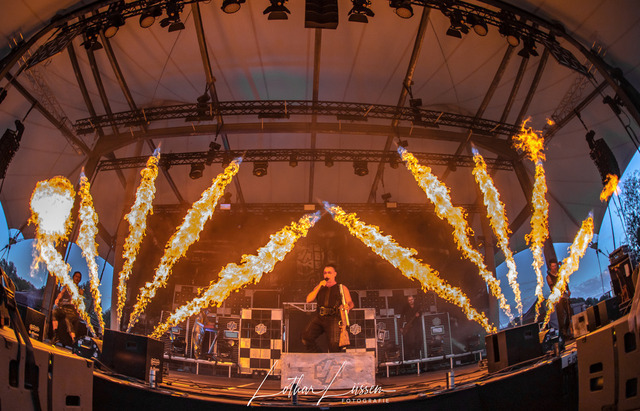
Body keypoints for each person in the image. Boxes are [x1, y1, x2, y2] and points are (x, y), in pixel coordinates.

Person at [302, 264, 354, 353]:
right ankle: (319, 356)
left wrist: (348, 306)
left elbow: (350, 302)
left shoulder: (341, 287)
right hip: (320, 317)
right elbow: (308, 300)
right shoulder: (319, 287)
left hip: (334, 318)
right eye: (325, 273)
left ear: (335, 274)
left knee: (334, 345)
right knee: (306, 337)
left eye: (329, 273)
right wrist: (319, 286)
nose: (327, 275)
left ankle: (334, 361)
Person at [53, 271, 84, 344]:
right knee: (55, 312)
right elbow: (61, 293)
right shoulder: (67, 286)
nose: (77, 278)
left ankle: (74, 340)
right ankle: (55, 335)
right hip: (64, 308)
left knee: (68, 319)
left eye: (79, 277)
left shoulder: (80, 291)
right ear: (73, 277)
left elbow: (80, 302)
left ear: (80, 280)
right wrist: (57, 299)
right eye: (76, 276)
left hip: (72, 311)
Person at [546, 259, 573, 340]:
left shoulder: (559, 274)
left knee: (569, 312)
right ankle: (563, 333)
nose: (554, 267)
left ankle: (567, 330)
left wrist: (568, 290)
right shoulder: (549, 277)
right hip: (558, 298)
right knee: (561, 315)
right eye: (553, 266)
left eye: (555, 266)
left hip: (564, 296)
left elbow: (565, 282)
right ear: (550, 267)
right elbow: (551, 287)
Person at [400, 295, 422, 360]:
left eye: (412, 299)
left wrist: (419, 314)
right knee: (411, 341)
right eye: (409, 300)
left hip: (417, 325)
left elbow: (421, 312)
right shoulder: (405, 307)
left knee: (418, 340)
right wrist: (400, 327)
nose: (411, 301)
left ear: (414, 299)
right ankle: (411, 354)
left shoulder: (418, 306)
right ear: (407, 301)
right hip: (409, 326)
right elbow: (401, 317)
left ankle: (417, 356)